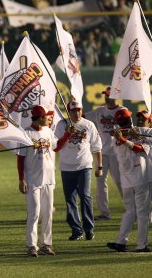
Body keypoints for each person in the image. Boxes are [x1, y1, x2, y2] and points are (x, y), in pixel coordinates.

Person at [17, 105, 71, 257]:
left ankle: (46, 244)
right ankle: (31, 246)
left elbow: (56, 147)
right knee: (34, 213)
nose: (48, 118)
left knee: (48, 213)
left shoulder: (48, 131)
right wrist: (21, 179)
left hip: (48, 179)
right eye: (45, 116)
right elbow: (20, 159)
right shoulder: (25, 134)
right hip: (32, 179)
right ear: (39, 117)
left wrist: (67, 135)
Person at [54, 100, 102, 241]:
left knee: (85, 195)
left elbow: (96, 146)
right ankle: (76, 230)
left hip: (84, 165)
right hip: (66, 167)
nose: (77, 113)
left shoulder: (88, 125)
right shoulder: (62, 125)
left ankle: (89, 228)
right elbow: (56, 146)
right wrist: (67, 133)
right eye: (74, 111)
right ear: (68, 111)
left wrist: (99, 166)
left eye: (79, 110)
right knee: (70, 199)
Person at [107, 109, 150, 253]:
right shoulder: (120, 137)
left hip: (127, 180)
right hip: (139, 178)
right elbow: (139, 149)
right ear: (129, 119)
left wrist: (127, 137)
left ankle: (121, 242)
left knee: (130, 211)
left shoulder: (135, 133)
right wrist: (127, 138)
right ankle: (141, 245)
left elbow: (142, 147)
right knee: (142, 213)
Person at [84, 87, 126, 220]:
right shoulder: (100, 111)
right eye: (105, 95)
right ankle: (104, 213)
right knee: (100, 183)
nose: (106, 97)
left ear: (116, 96)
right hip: (102, 153)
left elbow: (128, 129)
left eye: (109, 95)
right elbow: (83, 117)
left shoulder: (123, 111)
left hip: (117, 152)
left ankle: (131, 208)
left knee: (120, 181)